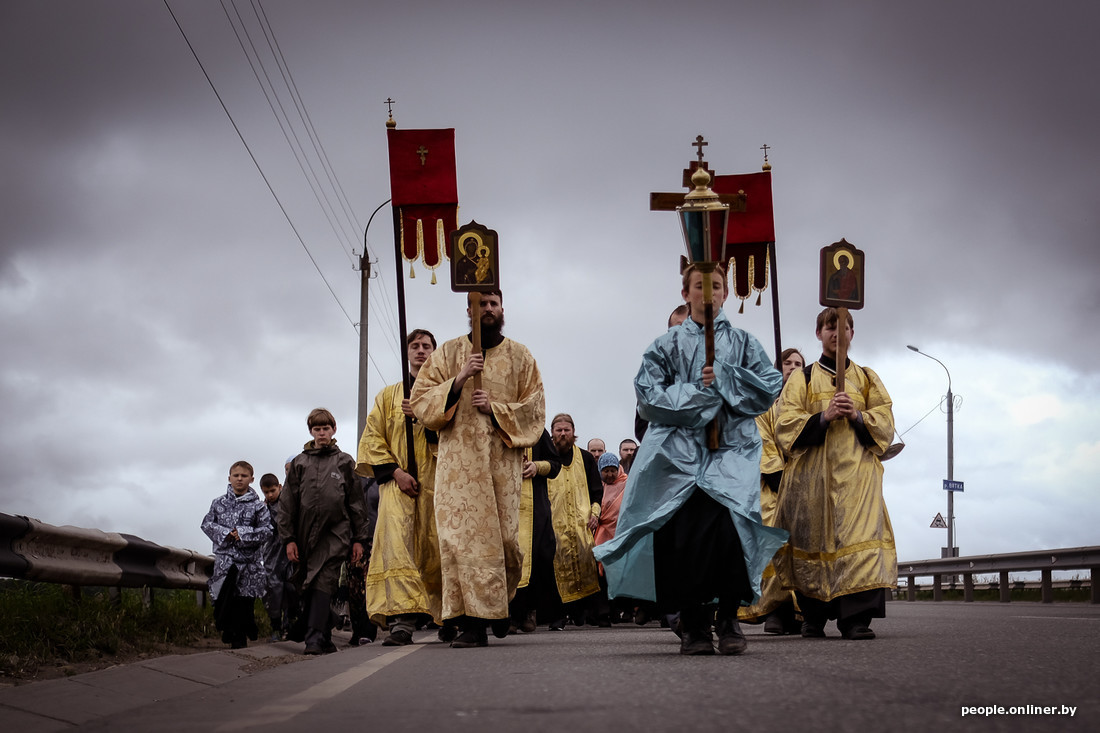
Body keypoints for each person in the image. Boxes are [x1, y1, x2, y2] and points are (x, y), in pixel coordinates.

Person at [594, 263, 787, 655]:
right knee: (683, 539)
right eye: (699, 286)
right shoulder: (664, 346)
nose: (708, 292)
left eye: (716, 285)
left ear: (725, 293)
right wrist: (699, 396)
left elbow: (770, 384)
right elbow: (648, 395)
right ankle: (694, 623)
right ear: (686, 294)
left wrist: (728, 379)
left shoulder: (745, 343)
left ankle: (729, 618)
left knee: (731, 534)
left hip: (730, 453)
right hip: (677, 461)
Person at [410, 290, 546, 648]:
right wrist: (458, 380)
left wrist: (497, 408)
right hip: (457, 467)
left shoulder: (521, 356)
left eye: (493, 304)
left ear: (502, 309)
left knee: (504, 542)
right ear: (469, 309)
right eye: (480, 304)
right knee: (460, 543)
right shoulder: (449, 353)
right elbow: (422, 401)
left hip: (501, 464)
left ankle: (499, 605)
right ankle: (472, 624)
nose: (487, 310)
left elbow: (535, 409)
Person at [773, 308, 896, 640]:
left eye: (844, 327)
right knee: (813, 538)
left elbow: (884, 421)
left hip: (857, 480)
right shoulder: (804, 378)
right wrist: (823, 417)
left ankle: (856, 619)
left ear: (852, 334)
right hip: (813, 480)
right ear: (819, 334)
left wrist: (858, 416)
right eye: (829, 327)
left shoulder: (867, 378)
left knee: (857, 542)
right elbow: (785, 422)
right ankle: (813, 617)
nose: (836, 333)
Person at [356, 328, 445, 646]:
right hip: (397, 487)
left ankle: (447, 615)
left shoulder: (445, 392)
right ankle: (401, 623)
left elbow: (456, 436)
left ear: (435, 352)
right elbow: (372, 438)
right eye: (415, 345)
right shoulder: (388, 396)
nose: (421, 350)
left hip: (437, 485)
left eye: (427, 346)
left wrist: (426, 418)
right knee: (397, 549)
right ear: (407, 352)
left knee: (437, 550)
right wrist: (395, 472)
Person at [277, 408, 371, 655]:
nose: (321, 433)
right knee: (308, 583)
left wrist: (359, 539)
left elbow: (356, 504)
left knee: (324, 579)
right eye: (317, 429)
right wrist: (288, 539)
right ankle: (326, 629)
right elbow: (287, 505)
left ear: (334, 430)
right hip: (304, 536)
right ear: (311, 432)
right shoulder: (299, 463)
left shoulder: (344, 462)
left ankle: (314, 639)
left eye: (325, 429)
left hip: (335, 534)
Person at [737, 348, 805, 635]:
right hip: (773, 486)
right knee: (774, 546)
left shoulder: (809, 402)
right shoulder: (766, 404)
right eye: (787, 363)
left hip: (806, 484)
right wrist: (779, 475)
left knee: (803, 545)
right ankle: (777, 610)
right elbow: (761, 439)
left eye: (798, 363)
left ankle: (804, 612)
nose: (792, 367)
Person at [201, 461, 272, 649]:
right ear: (229, 478)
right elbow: (206, 524)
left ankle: (239, 638)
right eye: (236, 475)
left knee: (243, 602)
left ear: (251, 479)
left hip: (249, 564)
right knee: (224, 599)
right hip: (225, 562)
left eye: (244, 476)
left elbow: (267, 531)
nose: (239, 479)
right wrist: (226, 533)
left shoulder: (259, 507)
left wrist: (242, 533)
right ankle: (228, 630)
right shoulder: (218, 503)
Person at [545, 413, 602, 629]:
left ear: (573, 432)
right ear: (552, 433)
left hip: (581, 523)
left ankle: (581, 612)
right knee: (556, 568)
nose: (562, 434)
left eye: (566, 430)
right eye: (558, 430)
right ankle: (557, 617)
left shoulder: (586, 458)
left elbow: (597, 491)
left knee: (584, 565)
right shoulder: (546, 457)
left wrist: (594, 513)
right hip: (554, 523)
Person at [510, 428, 562, 632]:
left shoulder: (538, 431)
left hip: (535, 506)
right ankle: (512, 615)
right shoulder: (497, 423)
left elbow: (555, 465)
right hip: (505, 504)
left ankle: (530, 611)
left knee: (539, 558)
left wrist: (537, 466)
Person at [258, 473, 297, 642]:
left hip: (289, 554)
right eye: (266, 492)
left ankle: (290, 625)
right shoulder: (262, 509)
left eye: (272, 491)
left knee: (291, 589)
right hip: (271, 556)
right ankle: (275, 627)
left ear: (280, 487)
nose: (270, 495)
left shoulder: (289, 505)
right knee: (273, 591)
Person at [592, 451, 629, 625]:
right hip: (601, 535)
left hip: (620, 535)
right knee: (602, 575)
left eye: (613, 470)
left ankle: (620, 610)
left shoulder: (627, 484)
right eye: (605, 471)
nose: (610, 474)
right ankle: (603, 612)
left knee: (619, 574)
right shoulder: (596, 487)